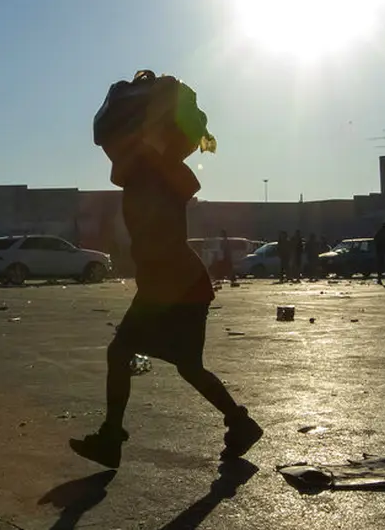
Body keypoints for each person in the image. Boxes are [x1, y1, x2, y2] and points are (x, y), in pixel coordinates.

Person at [70, 69, 261, 469]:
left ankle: (111, 438)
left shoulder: (150, 172)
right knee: (188, 366)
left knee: (120, 351)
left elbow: (158, 231)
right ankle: (240, 423)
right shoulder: (153, 172)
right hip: (182, 283)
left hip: (170, 283)